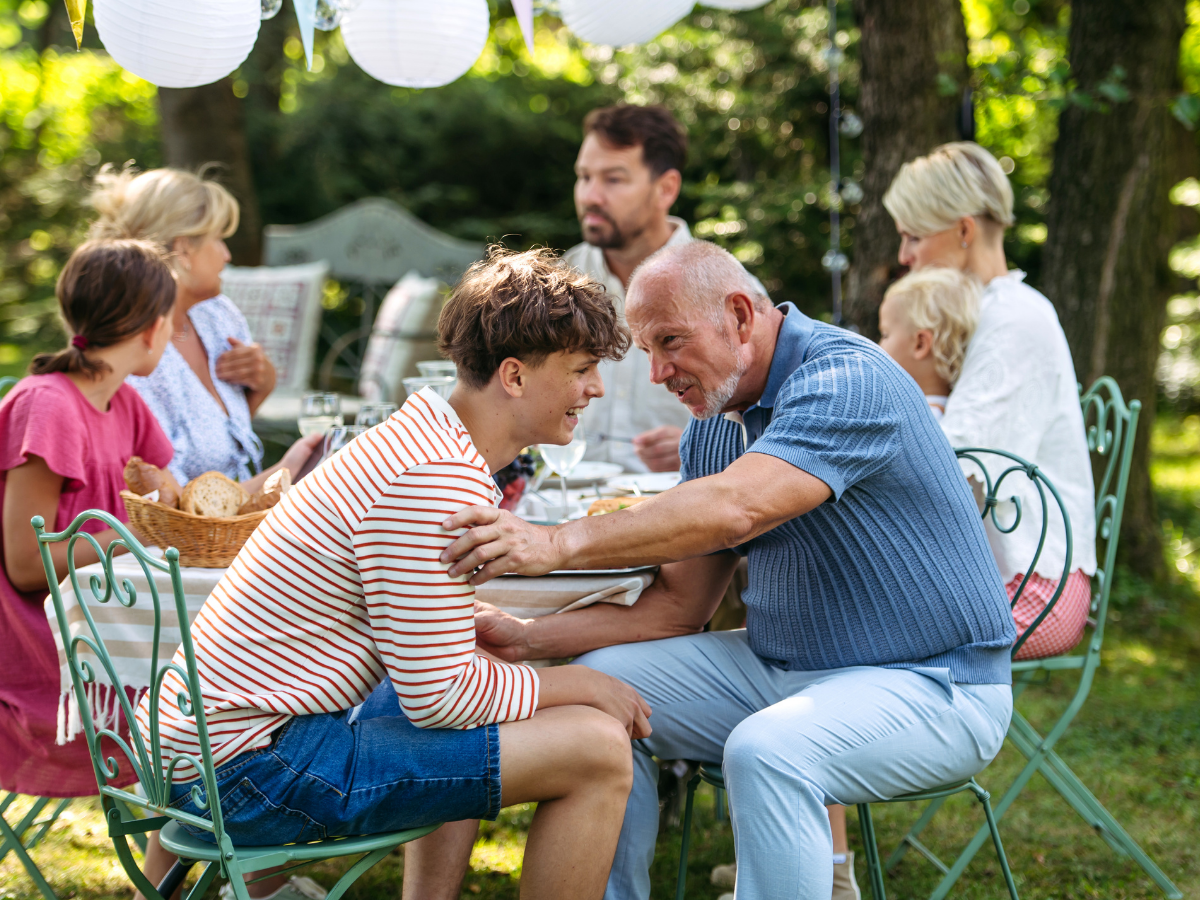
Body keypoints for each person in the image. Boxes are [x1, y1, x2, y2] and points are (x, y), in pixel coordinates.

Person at [427, 241, 1018, 900]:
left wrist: (555, 542)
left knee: (770, 752)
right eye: (647, 349)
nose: (657, 373)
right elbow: (678, 610)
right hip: (789, 671)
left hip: (935, 683)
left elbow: (737, 508)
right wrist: (526, 639)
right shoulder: (715, 419)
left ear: (740, 315)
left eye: (670, 341)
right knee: (598, 692)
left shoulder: (847, 379)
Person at [137, 248, 652, 900]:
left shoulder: (417, 438)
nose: (595, 388)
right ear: (515, 376)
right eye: (581, 370)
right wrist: (583, 684)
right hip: (249, 766)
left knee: (512, 697)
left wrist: (483, 633)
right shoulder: (435, 480)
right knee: (598, 748)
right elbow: (441, 698)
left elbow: (403, 638)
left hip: (199, 742)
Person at [883, 141, 1096, 661]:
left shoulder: (1013, 319)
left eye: (913, 236)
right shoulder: (983, 315)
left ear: (963, 230)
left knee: (857, 636)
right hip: (996, 577)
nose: (903, 256)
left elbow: (953, 465)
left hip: (1035, 587)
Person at [0, 240, 175, 799]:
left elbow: (164, 487)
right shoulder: (47, 405)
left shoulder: (124, 402)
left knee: (209, 684)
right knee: (194, 705)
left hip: (110, 626)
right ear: (151, 328)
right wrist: (124, 539)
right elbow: (26, 566)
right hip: (47, 656)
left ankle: (173, 878)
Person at [88, 166, 321, 492]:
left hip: (226, 525)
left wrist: (261, 386)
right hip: (179, 537)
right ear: (183, 249)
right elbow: (172, 505)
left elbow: (215, 444)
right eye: (219, 239)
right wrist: (284, 473)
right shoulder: (136, 353)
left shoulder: (218, 315)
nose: (226, 255)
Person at [566, 104, 765, 474]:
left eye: (613, 179)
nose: (591, 196)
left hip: (679, 510)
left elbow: (777, 427)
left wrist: (706, 448)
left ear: (666, 188)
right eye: (584, 177)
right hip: (560, 508)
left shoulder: (733, 294)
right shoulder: (556, 286)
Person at [877, 266, 981, 421]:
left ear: (920, 344)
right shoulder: (950, 414)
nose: (878, 345)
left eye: (885, 335)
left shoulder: (917, 421)